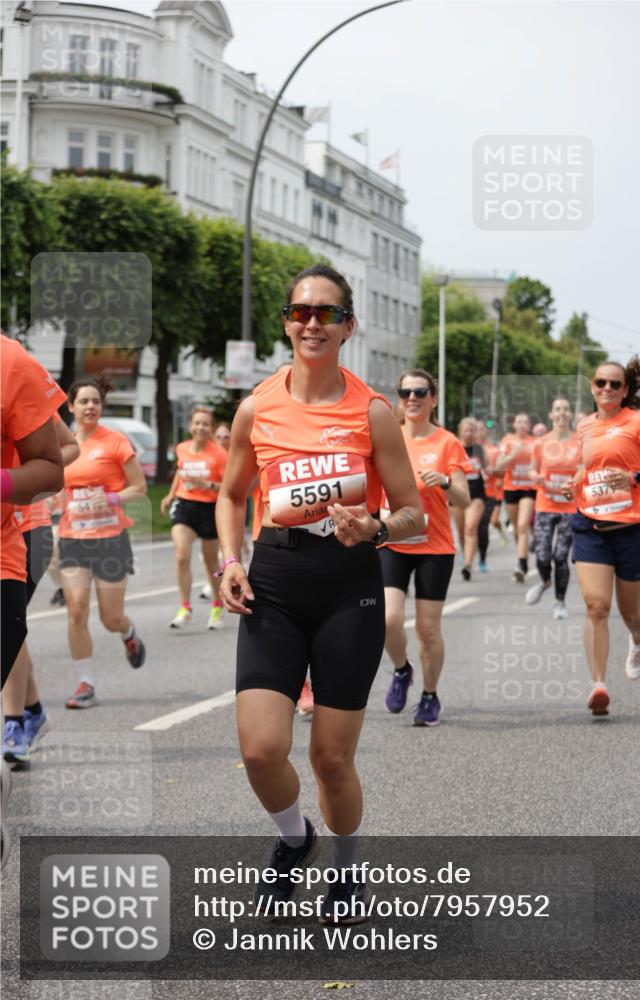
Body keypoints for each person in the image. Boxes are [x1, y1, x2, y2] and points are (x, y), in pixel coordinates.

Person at [217, 264, 423, 922]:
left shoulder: (372, 412)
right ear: (286, 321)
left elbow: (413, 513)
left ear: (347, 326)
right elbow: (230, 496)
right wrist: (228, 561)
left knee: (331, 757)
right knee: (260, 748)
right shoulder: (256, 405)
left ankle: (346, 871)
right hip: (273, 580)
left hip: (347, 588)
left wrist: (376, 528)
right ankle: (292, 838)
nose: (311, 322)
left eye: (326, 313)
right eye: (300, 311)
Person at [566, 358, 640, 717]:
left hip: (635, 529)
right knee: (596, 606)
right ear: (592, 387)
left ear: (625, 391)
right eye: (600, 383)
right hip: (592, 525)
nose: (606, 389)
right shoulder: (585, 426)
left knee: (629, 612)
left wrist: (638, 478)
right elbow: (586, 467)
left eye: (614, 384)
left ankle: (638, 638)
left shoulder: (638, 423)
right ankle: (598, 685)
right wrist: (575, 481)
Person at [1, 333, 66, 868]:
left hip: (18, 536)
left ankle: (18, 716)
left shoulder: (13, 363)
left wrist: (6, 481)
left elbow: (56, 457)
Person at [380, 370, 470, 726]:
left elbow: (463, 499)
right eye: (405, 392)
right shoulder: (388, 437)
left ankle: (430, 695)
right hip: (392, 541)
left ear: (433, 398)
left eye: (420, 392)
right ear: (398, 399)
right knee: (388, 620)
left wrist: (446, 483)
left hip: (434, 546)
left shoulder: (447, 443)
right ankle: (402, 670)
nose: (412, 398)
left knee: (428, 629)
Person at [59, 376, 147, 709]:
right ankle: (86, 684)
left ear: (102, 406)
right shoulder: (61, 445)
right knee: (76, 610)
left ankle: (127, 633)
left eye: (95, 401)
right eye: (83, 401)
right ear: (71, 406)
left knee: (110, 617)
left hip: (111, 538)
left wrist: (109, 500)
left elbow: (138, 487)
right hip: (73, 538)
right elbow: (55, 488)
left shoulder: (115, 442)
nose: (90, 406)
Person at [3, 418, 79, 764]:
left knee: (6, 626)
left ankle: (15, 722)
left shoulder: (17, 384)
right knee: (9, 628)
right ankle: (32, 711)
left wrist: (25, 474)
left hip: (26, 526)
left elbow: (70, 445)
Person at [160, 407, 228, 629]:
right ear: (190, 426)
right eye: (197, 423)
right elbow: (180, 472)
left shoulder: (219, 454)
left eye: (205, 424)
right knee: (181, 555)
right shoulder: (182, 448)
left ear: (210, 429)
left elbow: (228, 487)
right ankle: (185, 607)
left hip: (209, 509)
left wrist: (206, 485)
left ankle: (217, 605)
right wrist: (170, 495)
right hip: (185, 506)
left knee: (211, 562)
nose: (200, 427)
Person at [525, 398, 581, 620]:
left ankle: (560, 603)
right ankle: (545, 581)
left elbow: (585, 468)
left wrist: (575, 481)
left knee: (560, 556)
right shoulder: (541, 443)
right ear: (551, 415)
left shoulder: (579, 442)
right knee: (542, 554)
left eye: (566, 409)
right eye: (557, 409)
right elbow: (531, 469)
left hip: (569, 507)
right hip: (545, 505)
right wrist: (535, 477)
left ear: (571, 415)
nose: (562, 413)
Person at [496, 413, 536, 582]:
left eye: (525, 422)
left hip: (529, 488)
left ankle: (522, 563)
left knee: (522, 525)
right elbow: (498, 466)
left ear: (529, 425)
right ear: (514, 425)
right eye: (519, 421)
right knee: (515, 526)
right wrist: (512, 455)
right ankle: (522, 554)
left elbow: (540, 464)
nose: (522, 425)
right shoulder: (507, 441)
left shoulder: (535, 443)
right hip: (510, 487)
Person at [450, 417, 485, 581]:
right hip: (457, 494)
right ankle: (466, 557)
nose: (469, 433)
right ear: (460, 431)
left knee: (470, 528)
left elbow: (490, 467)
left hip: (476, 495)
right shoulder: (453, 448)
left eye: (472, 430)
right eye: (466, 430)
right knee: (461, 530)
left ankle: (468, 565)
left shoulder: (479, 450)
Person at [475, 420, 505, 570]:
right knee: (470, 527)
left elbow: (502, 472)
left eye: (481, 429)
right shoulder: (466, 449)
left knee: (483, 525)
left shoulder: (494, 450)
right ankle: (469, 555)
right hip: (472, 494)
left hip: (490, 493)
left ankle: (482, 558)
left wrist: (495, 473)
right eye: (476, 429)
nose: (478, 432)